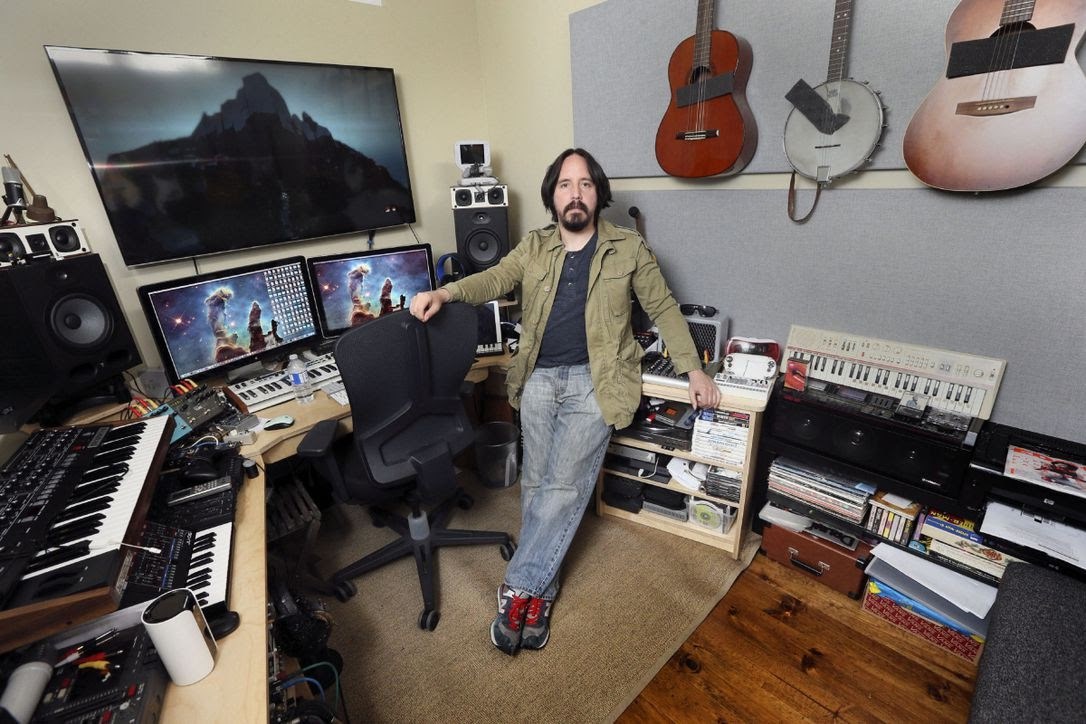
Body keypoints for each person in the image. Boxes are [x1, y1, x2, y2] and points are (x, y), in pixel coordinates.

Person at [409, 147, 719, 655]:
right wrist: (445, 294)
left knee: (565, 490)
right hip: (537, 380)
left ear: (598, 194)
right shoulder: (534, 247)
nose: (575, 194)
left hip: (596, 384)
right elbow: (494, 279)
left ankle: (517, 592)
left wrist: (694, 369)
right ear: (552, 196)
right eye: (565, 185)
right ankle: (542, 593)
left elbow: (662, 306)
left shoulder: (629, 248)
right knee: (536, 487)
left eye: (585, 185)